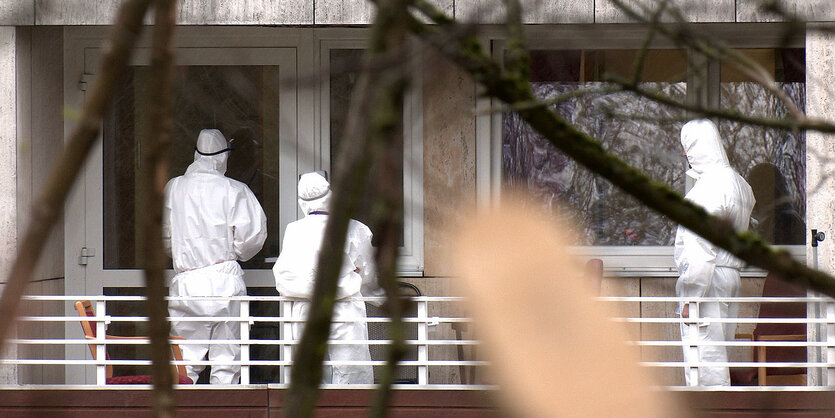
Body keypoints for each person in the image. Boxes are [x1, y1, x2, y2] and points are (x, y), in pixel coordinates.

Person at [163, 128, 267, 384]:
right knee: (228, 360)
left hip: (187, 281)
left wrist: (182, 252)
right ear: (224, 157)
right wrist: (235, 251)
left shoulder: (174, 188)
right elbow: (251, 239)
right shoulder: (235, 189)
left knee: (184, 361)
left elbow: (164, 237)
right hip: (224, 281)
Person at [273, 171, 383, 384]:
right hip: (344, 308)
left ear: (301, 202)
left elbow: (284, 275)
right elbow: (368, 272)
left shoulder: (293, 230)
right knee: (352, 373)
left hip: (305, 309)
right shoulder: (353, 227)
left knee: (310, 374)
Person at [675, 119, 755, 386]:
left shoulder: (708, 189)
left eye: (686, 147)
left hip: (709, 280)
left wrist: (690, 299)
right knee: (718, 355)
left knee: (705, 362)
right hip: (730, 277)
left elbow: (700, 250)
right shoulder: (740, 184)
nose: (684, 155)